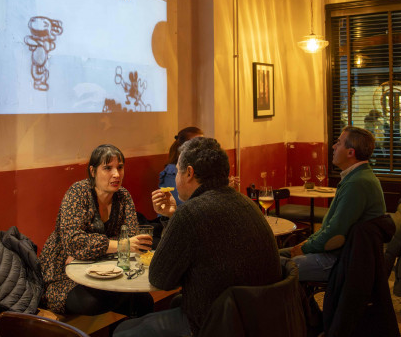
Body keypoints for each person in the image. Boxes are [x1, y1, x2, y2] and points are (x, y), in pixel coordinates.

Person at [114, 137, 281, 336]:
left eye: (177, 171)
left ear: (189, 173)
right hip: (261, 318)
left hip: (218, 323)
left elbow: (160, 279)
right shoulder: (245, 203)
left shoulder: (192, 213)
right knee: (177, 302)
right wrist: (172, 217)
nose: (175, 178)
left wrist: (177, 218)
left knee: (123, 331)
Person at [39, 144, 153, 316]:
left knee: (144, 301)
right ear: (92, 171)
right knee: (94, 303)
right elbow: (74, 242)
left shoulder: (123, 196)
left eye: (120, 167)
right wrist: (121, 244)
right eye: (108, 168)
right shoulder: (78, 193)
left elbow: (132, 239)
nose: (116, 174)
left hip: (105, 270)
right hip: (64, 276)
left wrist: (92, 248)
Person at [282, 126, 386, 282]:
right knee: (275, 255)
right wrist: (308, 243)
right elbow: (330, 228)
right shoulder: (357, 177)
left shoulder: (357, 183)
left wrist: (305, 248)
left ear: (351, 152)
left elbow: (335, 233)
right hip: (341, 253)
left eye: (338, 142)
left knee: (274, 267)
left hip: (343, 259)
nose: (333, 146)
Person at [159, 126, 203, 205]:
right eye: (197, 143)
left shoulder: (198, 166)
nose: (203, 147)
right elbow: (181, 203)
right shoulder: (172, 172)